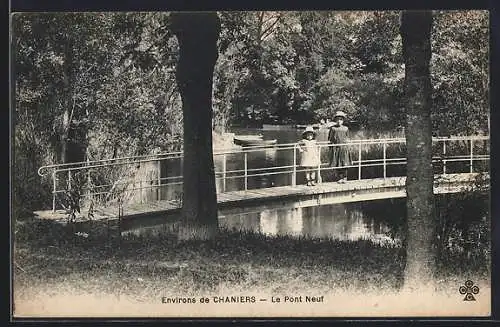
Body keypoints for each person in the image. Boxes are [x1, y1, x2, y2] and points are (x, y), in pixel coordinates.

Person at [328, 111, 352, 183]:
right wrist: (331, 147)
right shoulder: (333, 128)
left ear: (343, 120)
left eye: (341, 119)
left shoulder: (346, 128)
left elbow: (348, 138)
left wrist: (348, 145)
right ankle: (339, 177)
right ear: (335, 120)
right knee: (337, 163)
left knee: (345, 163)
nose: (339, 121)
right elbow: (330, 138)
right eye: (337, 119)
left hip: (344, 148)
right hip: (336, 148)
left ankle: (345, 177)